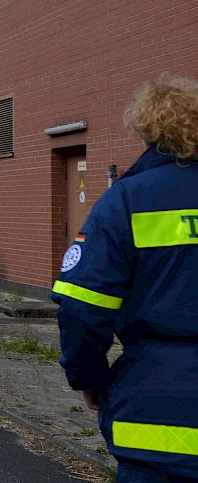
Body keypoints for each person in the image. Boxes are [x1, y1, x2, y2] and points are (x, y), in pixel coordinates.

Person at [52, 75, 198, 482]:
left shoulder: (129, 200)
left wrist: (90, 379)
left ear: (147, 130)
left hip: (158, 411)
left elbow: (82, 306)